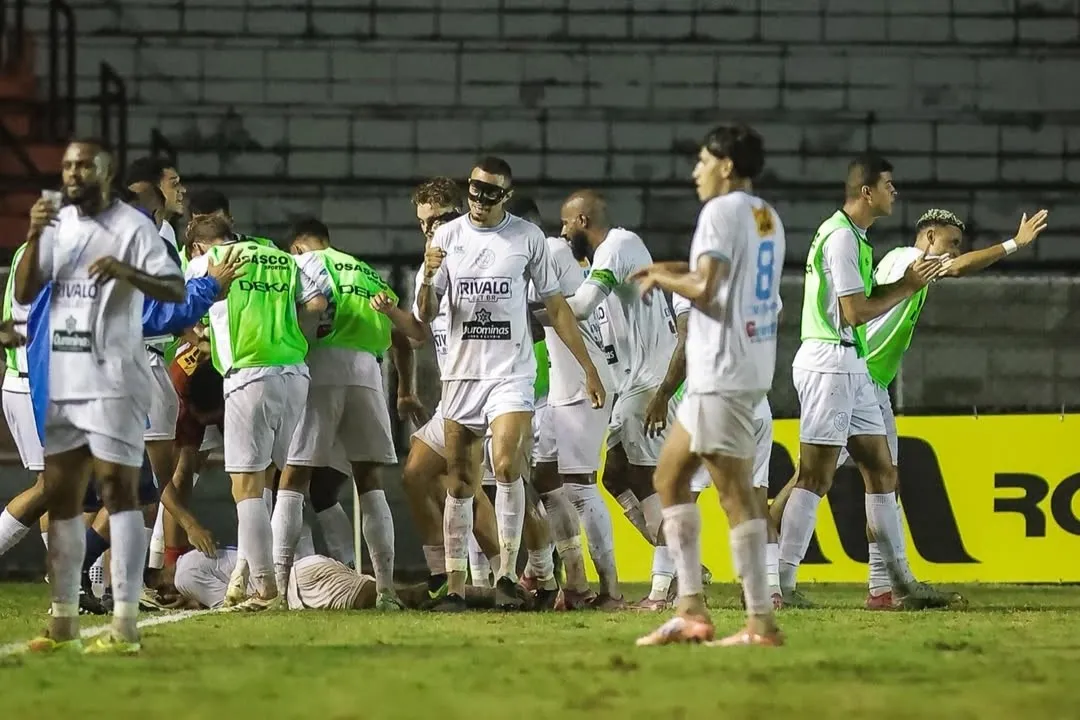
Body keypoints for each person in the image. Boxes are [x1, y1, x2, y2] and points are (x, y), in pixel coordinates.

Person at [771, 206, 1048, 609]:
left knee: (876, 480)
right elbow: (955, 269)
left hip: (872, 386)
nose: (953, 252)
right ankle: (779, 571)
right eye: (950, 243)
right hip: (850, 374)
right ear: (930, 237)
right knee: (816, 477)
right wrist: (1014, 244)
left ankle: (883, 588)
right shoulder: (905, 259)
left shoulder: (909, 266)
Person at [15, 139, 186, 654]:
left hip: (114, 376)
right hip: (66, 379)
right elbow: (26, 294)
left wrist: (127, 272)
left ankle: (124, 627)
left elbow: (174, 291)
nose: (72, 173)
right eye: (66, 164)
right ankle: (63, 623)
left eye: (83, 165)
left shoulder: (135, 227)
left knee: (119, 496)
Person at [415, 156, 605, 610]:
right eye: (475, 190)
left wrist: (588, 368)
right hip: (461, 375)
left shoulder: (527, 237)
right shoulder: (446, 238)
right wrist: (426, 275)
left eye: (490, 193)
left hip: (511, 375)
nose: (479, 200)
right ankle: (458, 585)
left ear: (507, 196)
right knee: (460, 481)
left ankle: (505, 574)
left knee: (505, 466)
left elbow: (557, 308)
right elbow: (425, 313)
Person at [632, 123, 784, 646]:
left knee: (735, 495)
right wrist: (671, 267)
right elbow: (728, 277)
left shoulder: (718, 211)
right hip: (745, 365)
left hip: (721, 368)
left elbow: (706, 286)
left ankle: (760, 621)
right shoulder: (766, 215)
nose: (696, 171)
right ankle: (691, 608)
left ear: (724, 165)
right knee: (670, 479)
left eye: (701, 161)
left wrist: (662, 279)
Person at [777, 153, 948, 609]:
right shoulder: (840, 240)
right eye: (889, 185)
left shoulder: (856, 238)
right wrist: (907, 286)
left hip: (850, 363)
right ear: (867, 192)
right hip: (828, 361)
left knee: (882, 471)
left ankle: (891, 587)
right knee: (815, 476)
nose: (895, 192)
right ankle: (780, 587)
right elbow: (854, 313)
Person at [183, 215, 326, 611]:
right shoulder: (281, 258)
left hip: (251, 373)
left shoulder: (207, 261)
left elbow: (181, 303)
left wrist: (197, 332)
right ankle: (241, 579)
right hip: (295, 374)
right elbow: (316, 303)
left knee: (244, 486)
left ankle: (266, 590)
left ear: (199, 247)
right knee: (262, 481)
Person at [276, 217, 408, 610]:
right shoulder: (365, 271)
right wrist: (406, 386)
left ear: (298, 247)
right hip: (369, 372)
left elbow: (307, 310)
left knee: (293, 476)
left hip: (321, 368)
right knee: (370, 480)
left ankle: (279, 590)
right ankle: (386, 589)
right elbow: (400, 333)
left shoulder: (302, 266)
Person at [558, 190, 680, 609]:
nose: (562, 231)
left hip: (653, 383)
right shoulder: (609, 258)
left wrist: (533, 302)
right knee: (614, 476)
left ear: (583, 220)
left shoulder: (618, 246)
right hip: (635, 382)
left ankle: (664, 588)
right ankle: (682, 564)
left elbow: (583, 306)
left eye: (566, 224)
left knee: (652, 484)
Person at [506, 194, 617, 608]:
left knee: (581, 487)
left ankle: (610, 590)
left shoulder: (547, 250)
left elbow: (557, 311)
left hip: (581, 381)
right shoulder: (549, 255)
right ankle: (570, 579)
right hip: (562, 384)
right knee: (548, 480)